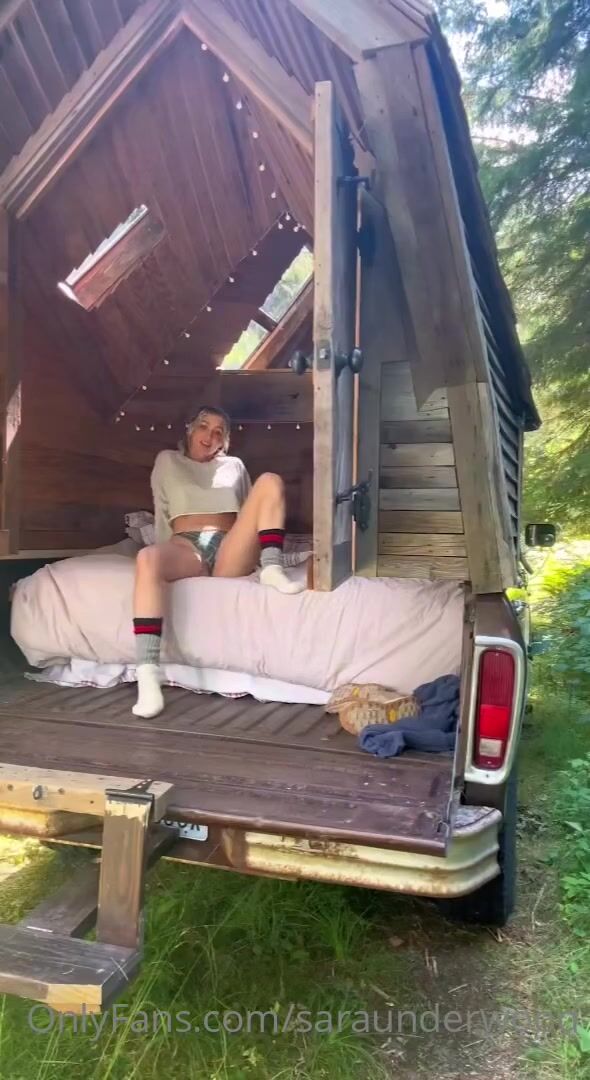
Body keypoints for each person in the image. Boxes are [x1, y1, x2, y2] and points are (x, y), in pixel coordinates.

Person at [132, 405, 305, 719]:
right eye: (203, 426)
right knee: (147, 559)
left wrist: (254, 552)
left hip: (229, 546)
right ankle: (148, 674)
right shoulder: (167, 461)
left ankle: (272, 567)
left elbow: (253, 511)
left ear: (225, 440)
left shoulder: (234, 466)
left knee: (270, 481)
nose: (209, 435)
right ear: (189, 429)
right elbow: (162, 509)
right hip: (186, 546)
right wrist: (162, 555)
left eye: (218, 431)